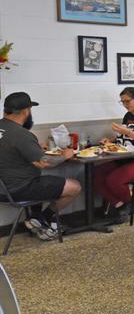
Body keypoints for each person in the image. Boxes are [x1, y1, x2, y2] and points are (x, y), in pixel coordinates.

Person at [0, 92, 80, 240]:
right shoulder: (21, 134)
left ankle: (38, 219)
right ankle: (42, 218)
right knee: (74, 186)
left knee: (44, 181)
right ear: (26, 111)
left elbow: (12, 153)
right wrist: (66, 155)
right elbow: (44, 163)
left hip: (4, 189)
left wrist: (35, 148)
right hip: (19, 189)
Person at [93, 87, 134, 223]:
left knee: (113, 179)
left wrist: (128, 132)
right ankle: (120, 204)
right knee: (96, 174)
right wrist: (111, 141)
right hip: (127, 158)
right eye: (122, 102)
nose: (125, 105)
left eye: (127, 101)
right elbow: (125, 140)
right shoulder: (128, 116)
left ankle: (129, 203)